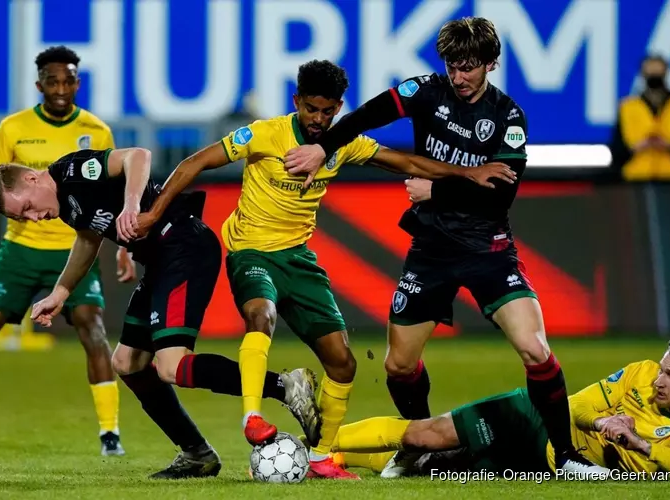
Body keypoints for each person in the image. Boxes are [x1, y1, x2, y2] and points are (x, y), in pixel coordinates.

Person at [131, 59, 517, 480]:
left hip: (298, 258)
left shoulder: (342, 143)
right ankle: (252, 419)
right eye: (312, 109)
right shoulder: (265, 134)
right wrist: (151, 215)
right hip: (252, 252)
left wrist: (469, 172)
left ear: (338, 108)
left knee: (343, 364)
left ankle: (320, 457)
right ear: (296, 101)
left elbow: (407, 163)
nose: (319, 120)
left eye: (329, 111)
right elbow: (194, 163)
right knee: (261, 315)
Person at [283, 17, 607, 476]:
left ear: (491, 64)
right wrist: (324, 148)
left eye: (469, 67)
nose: (459, 77)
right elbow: (365, 117)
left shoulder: (508, 117)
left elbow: (502, 194)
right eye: (453, 66)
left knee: (536, 351)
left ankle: (568, 457)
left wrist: (435, 190)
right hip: (431, 250)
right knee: (398, 366)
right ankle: (421, 444)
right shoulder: (425, 92)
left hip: (487, 250)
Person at [0, 147, 321, 479]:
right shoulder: (66, 206)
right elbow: (88, 239)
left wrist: (131, 206)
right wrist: (61, 291)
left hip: (184, 247)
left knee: (171, 366)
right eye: (20, 218)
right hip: (160, 261)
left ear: (31, 178)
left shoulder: (74, 170)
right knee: (127, 363)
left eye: (27, 207)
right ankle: (197, 453)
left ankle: (286, 386)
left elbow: (138, 156)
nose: (33, 217)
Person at [0, 45, 132, 456]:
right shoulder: (13, 128)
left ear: (77, 83)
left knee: (93, 328)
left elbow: (114, 190)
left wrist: (123, 247)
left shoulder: (97, 130)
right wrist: (20, 211)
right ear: (39, 85)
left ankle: (110, 435)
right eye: (53, 81)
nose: (61, 88)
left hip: (74, 249)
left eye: (68, 80)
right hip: (21, 250)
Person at [328, 333, 670, 480]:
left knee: (437, 466)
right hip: (533, 420)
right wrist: (601, 420)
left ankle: (341, 457)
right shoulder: (640, 374)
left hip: (542, 466)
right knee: (428, 434)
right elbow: (573, 405)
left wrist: (639, 443)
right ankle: (319, 444)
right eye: (662, 369)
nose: (657, 381)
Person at [609, 54, 670, 181]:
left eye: (658, 72)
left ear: (666, 73)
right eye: (650, 71)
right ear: (642, 74)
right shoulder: (627, 107)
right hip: (634, 178)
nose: (654, 76)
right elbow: (616, 150)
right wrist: (637, 148)